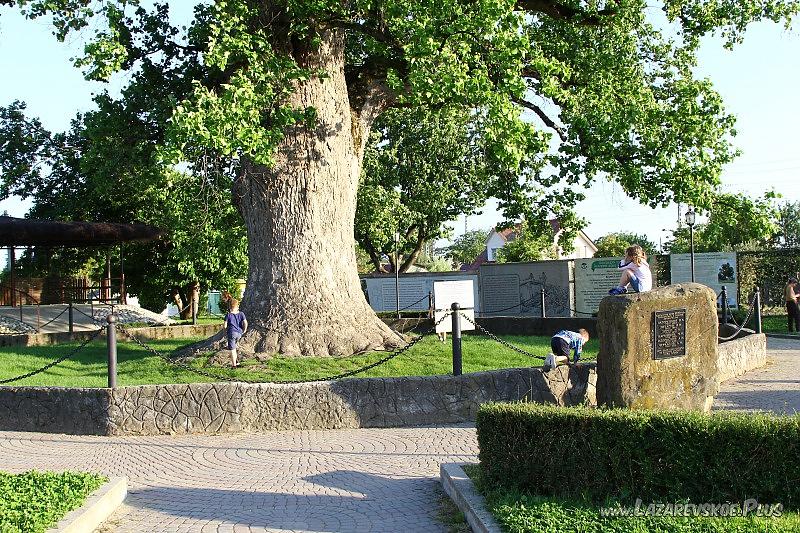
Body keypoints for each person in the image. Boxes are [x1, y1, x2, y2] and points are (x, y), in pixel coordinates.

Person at [224, 299, 248, 367]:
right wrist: (244, 330)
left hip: (232, 333)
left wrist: (225, 332)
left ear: (230, 307)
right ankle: (236, 361)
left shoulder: (228, 315)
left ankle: (234, 365)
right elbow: (245, 322)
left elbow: (225, 325)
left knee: (232, 350)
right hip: (239, 333)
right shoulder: (241, 314)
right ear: (237, 306)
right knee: (234, 346)